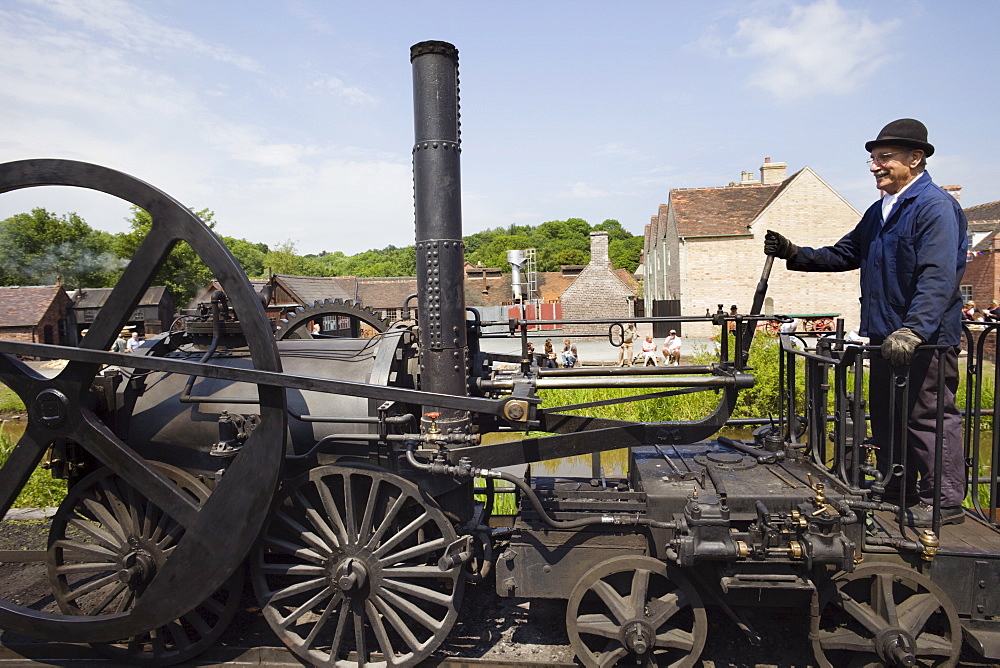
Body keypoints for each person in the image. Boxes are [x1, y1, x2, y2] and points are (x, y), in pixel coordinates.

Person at [764, 119, 967, 527]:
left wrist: (914, 329)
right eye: (873, 159)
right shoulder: (880, 212)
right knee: (889, 415)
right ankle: (900, 485)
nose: (875, 166)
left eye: (884, 158)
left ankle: (944, 501)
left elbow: (938, 276)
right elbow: (845, 254)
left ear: (916, 158)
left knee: (928, 416)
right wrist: (795, 253)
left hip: (924, 341)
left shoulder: (935, 208)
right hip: (884, 337)